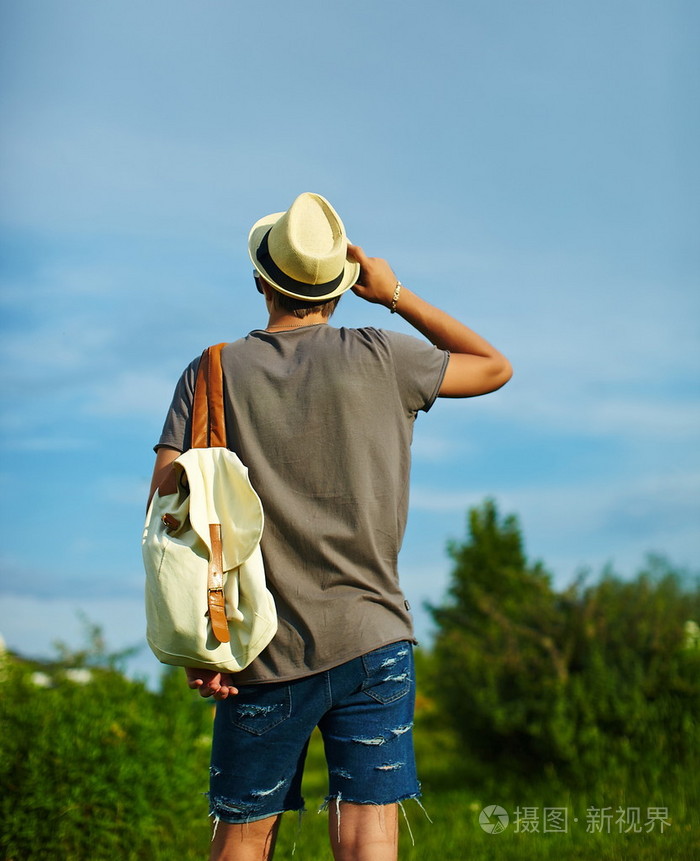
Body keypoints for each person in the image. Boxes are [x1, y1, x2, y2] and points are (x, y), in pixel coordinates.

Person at [148, 192, 512, 861]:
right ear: (341, 290)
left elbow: (168, 505)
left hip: (259, 649)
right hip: (373, 638)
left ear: (262, 280)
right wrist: (394, 292)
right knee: (369, 840)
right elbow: (494, 366)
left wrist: (204, 640)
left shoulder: (211, 372)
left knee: (243, 839)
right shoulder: (382, 355)